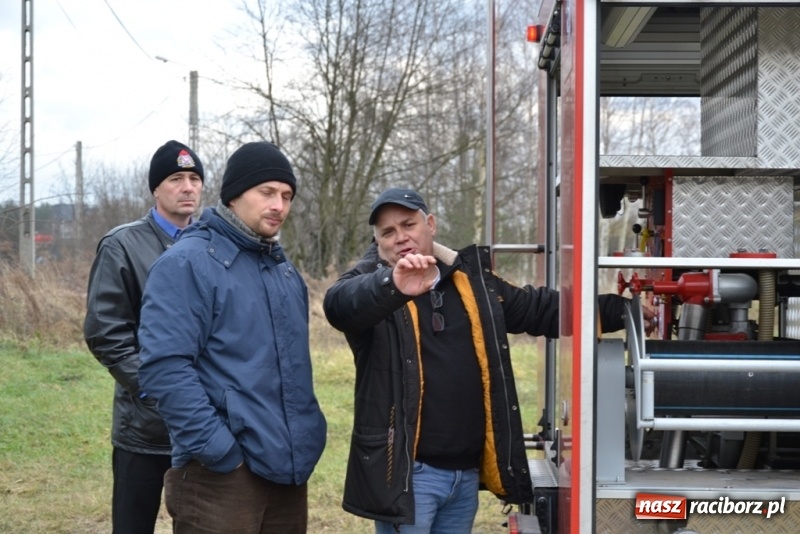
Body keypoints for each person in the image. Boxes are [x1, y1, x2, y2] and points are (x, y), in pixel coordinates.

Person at [323, 187, 653, 534]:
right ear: (377, 241)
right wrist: (393, 283)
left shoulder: (470, 281)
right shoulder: (372, 287)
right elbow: (339, 304)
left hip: (464, 479)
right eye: (387, 233)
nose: (400, 238)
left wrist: (619, 309)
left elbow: (537, 309)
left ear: (430, 224)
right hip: (411, 478)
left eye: (408, 225)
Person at [137, 141, 327, 533]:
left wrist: (305, 438)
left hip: (286, 470)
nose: (279, 205)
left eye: (287, 195)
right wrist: (219, 451)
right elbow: (165, 369)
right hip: (220, 478)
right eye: (267, 192)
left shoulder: (282, 270)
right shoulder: (186, 263)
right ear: (234, 195)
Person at [84, 140, 204, 534]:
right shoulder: (123, 244)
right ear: (156, 188)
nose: (187, 187)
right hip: (146, 428)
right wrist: (159, 391)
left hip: (205, 426)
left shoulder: (211, 244)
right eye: (176, 179)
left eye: (194, 178)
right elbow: (106, 333)